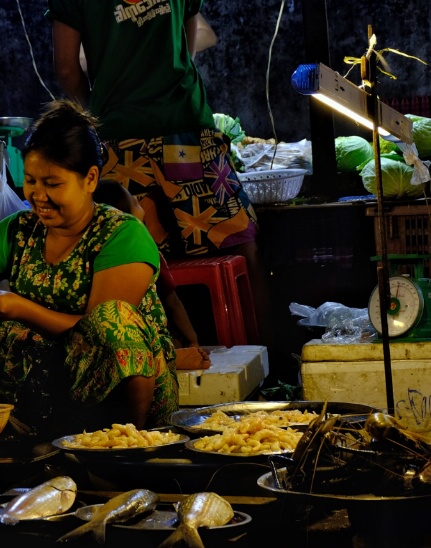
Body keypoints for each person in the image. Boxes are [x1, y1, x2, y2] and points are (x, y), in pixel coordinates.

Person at [0, 100, 178, 431]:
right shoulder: (20, 229)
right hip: (46, 376)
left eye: (52, 184)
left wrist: (20, 309)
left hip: (114, 385)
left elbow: (103, 330)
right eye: (31, 181)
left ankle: (126, 446)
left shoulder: (122, 234)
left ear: (90, 179)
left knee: (113, 320)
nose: (37, 195)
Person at [49, 1, 273, 344]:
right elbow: (188, 39)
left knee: (135, 255)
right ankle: (265, 356)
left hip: (121, 140)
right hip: (186, 126)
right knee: (240, 241)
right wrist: (170, 86)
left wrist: (100, 112)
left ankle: (155, 361)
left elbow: (66, 69)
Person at [93, 180, 210, 371]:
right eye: (135, 202)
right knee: (174, 343)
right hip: (150, 340)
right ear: (125, 218)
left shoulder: (96, 254)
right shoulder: (145, 249)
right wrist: (193, 341)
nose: (140, 201)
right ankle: (170, 358)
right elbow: (172, 302)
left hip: (117, 344)